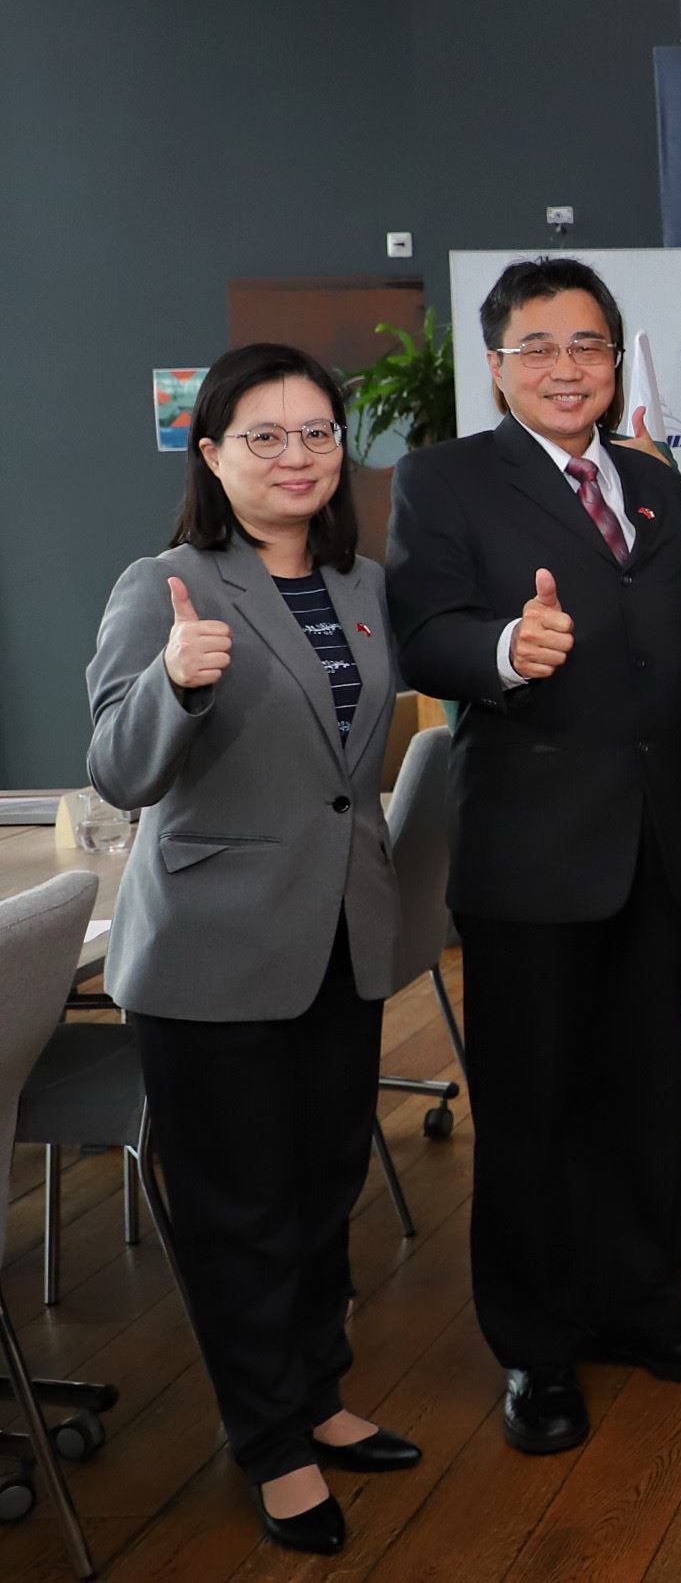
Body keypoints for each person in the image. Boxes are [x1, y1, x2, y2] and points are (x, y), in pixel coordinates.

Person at [387, 257, 681, 1455]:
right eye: (536, 346)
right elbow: (423, 632)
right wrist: (505, 648)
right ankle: (536, 1349)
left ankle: (640, 1306)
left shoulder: (653, 481)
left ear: (615, 357)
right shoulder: (445, 481)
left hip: (660, 842)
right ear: (495, 366)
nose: (565, 366)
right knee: (532, 1109)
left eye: (587, 344)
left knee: (643, 1095)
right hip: (534, 850)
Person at [83, 347, 414, 1555]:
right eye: (264, 436)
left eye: (317, 432)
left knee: (324, 1189)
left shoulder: (364, 583)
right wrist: (173, 682)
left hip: (341, 934)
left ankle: (316, 1392)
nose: (297, 456)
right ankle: (270, 1441)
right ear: (213, 455)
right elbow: (118, 769)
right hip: (213, 952)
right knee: (239, 1211)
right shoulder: (165, 583)